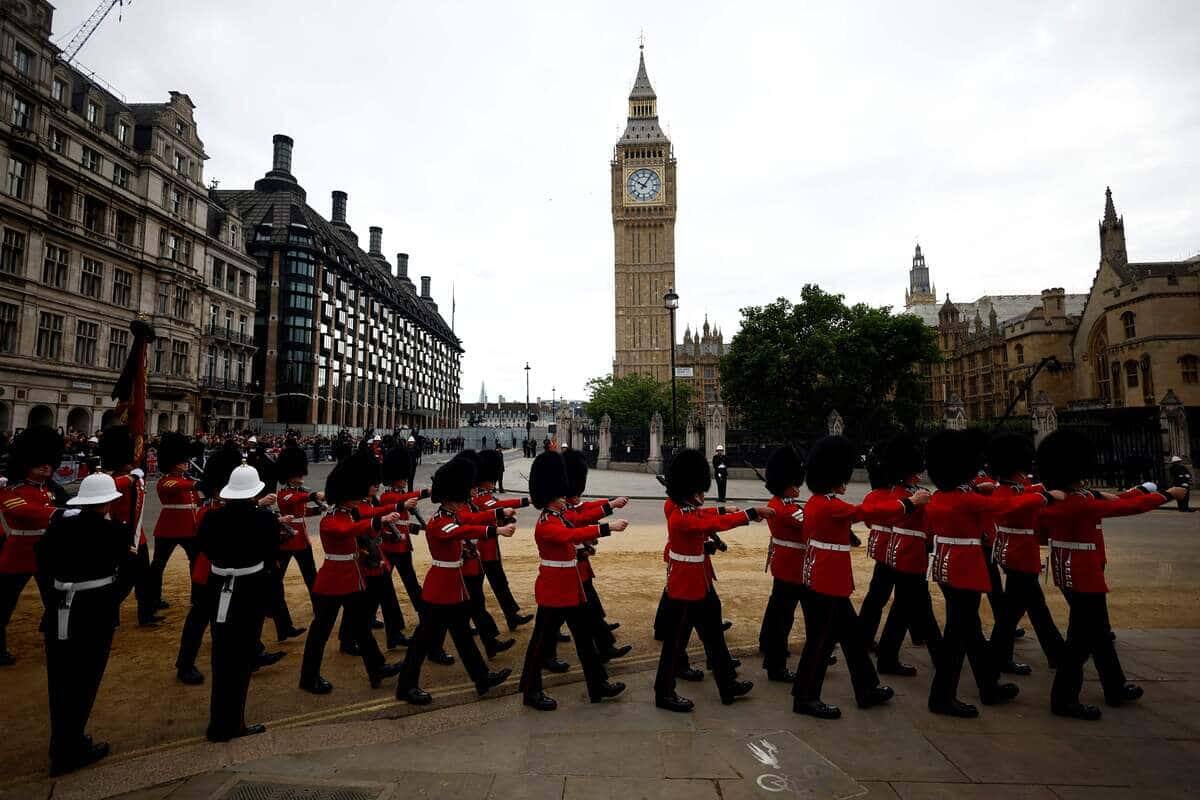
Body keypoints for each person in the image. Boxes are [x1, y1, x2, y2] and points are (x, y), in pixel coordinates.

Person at [1037, 430, 1185, 720]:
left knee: (1099, 634)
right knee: (1079, 642)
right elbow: (1126, 507)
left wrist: (1142, 489)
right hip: (1084, 575)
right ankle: (1064, 699)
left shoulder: (1064, 499)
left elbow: (1117, 499)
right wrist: (1167, 494)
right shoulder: (1077, 502)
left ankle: (1114, 686)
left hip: (1071, 570)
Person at [925, 429, 1056, 718]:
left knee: (971, 633)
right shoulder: (965, 499)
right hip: (964, 572)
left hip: (948, 569)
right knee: (956, 639)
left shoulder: (940, 497)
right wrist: (1044, 497)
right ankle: (941, 697)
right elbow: (1004, 504)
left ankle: (988, 685)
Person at [791, 436, 899, 719]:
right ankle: (805, 697)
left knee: (852, 639)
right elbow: (865, 511)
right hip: (826, 583)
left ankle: (867, 687)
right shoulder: (829, 505)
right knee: (819, 642)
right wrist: (908, 504)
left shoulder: (818, 502)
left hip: (831, 582)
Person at [655, 448, 768, 712]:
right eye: (699, 491)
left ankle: (727, 684)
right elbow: (710, 524)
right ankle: (664, 693)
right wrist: (750, 513)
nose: (702, 496)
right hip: (684, 586)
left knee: (714, 636)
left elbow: (703, 515)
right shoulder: (679, 515)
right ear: (689, 490)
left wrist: (723, 509)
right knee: (674, 643)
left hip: (700, 583)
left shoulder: (683, 506)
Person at [396, 457, 516, 705]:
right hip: (440, 588)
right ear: (451, 498)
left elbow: (472, 520)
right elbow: (464, 530)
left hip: (454, 586)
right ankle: (406, 686)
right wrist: (496, 530)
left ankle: (482, 679)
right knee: (421, 641)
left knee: (463, 637)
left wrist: (499, 513)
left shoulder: (453, 515)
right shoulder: (439, 522)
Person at [519, 450, 628, 710]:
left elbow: (578, 523)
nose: (564, 500)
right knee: (540, 644)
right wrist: (607, 528)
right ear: (550, 498)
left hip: (571, 588)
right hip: (554, 591)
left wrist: (606, 511)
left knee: (585, 640)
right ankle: (531, 690)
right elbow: (570, 535)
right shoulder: (547, 522)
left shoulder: (559, 516)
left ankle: (598, 685)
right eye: (560, 496)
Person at [35, 473, 126, 774]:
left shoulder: (58, 529)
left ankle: (61, 742)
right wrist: (111, 598)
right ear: (108, 502)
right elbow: (129, 570)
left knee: (59, 681)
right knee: (85, 681)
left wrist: (55, 596)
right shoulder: (114, 531)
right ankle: (69, 748)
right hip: (95, 612)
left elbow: (42, 564)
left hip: (59, 608)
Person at [299, 457, 404, 694]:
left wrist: (384, 518)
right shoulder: (331, 519)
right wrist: (378, 520)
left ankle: (376, 667)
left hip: (352, 578)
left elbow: (364, 522)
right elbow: (347, 530)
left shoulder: (349, 512)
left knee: (362, 628)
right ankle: (308, 677)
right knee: (320, 632)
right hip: (332, 581)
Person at [197, 462, 279, 742]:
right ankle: (234, 724)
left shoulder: (211, 517)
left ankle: (217, 722)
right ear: (254, 493)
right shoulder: (264, 519)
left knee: (220, 656)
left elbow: (204, 547)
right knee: (242, 659)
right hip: (250, 588)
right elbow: (271, 555)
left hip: (217, 584)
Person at [543, 450, 631, 671]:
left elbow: (584, 509)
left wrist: (611, 503)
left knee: (585, 609)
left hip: (576, 569)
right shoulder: (555, 515)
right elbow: (579, 521)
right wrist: (608, 522)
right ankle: (548, 656)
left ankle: (604, 645)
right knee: (556, 619)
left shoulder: (564, 506)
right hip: (563, 575)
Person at [986, 433, 1065, 674]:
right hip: (1019, 557)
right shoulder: (1005, 493)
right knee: (1012, 614)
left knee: (1033, 608)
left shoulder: (1012, 489)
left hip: (1018, 555)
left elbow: (1028, 492)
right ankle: (999, 658)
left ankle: (1056, 653)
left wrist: (1050, 486)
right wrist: (1045, 495)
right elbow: (1019, 503)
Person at [870, 434, 941, 677]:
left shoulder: (903, 491)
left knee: (913, 607)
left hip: (906, 553)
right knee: (907, 608)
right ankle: (891, 658)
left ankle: (936, 654)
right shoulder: (908, 496)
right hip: (909, 555)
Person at [0, 426, 68, 666]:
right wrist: (59, 513)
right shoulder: (12, 490)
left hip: (47, 553)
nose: (46, 467)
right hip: (19, 553)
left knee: (55, 599)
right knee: (4, 603)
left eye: (49, 462)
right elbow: (24, 510)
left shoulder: (51, 491)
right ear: (25, 463)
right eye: (40, 463)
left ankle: (56, 636)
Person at [100, 427, 161, 628]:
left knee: (145, 578)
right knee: (125, 580)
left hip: (137, 535)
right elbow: (112, 487)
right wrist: (131, 477)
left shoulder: (132, 477)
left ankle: (146, 614)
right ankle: (107, 612)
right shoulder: (113, 479)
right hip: (121, 535)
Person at [758, 445, 809, 682]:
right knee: (784, 618)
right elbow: (811, 525)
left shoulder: (777, 502)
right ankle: (777, 665)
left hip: (783, 564)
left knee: (777, 611)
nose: (798, 488)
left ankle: (768, 646)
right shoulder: (789, 510)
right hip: (794, 568)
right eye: (795, 484)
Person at [476, 448, 533, 631]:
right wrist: (526, 501)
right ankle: (475, 622)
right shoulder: (479, 497)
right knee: (475, 589)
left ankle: (511, 616)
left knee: (500, 582)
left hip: (491, 547)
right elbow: (499, 506)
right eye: (491, 480)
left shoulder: (485, 494)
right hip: (479, 549)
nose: (493, 483)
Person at [272, 444, 323, 641]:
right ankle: (273, 612)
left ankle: (319, 608)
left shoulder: (297, 492)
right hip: (286, 541)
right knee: (276, 581)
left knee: (312, 577)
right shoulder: (284, 493)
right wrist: (312, 496)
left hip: (302, 541)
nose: (301, 476)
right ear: (288, 475)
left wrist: (317, 509)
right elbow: (292, 500)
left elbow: (301, 511)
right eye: (297, 473)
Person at [148, 432, 201, 613]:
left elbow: (196, 501)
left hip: (189, 528)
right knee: (158, 564)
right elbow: (181, 486)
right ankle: (152, 598)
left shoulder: (186, 480)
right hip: (169, 528)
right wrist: (199, 484)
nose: (186, 463)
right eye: (182, 461)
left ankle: (197, 597)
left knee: (195, 562)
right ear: (173, 463)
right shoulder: (166, 481)